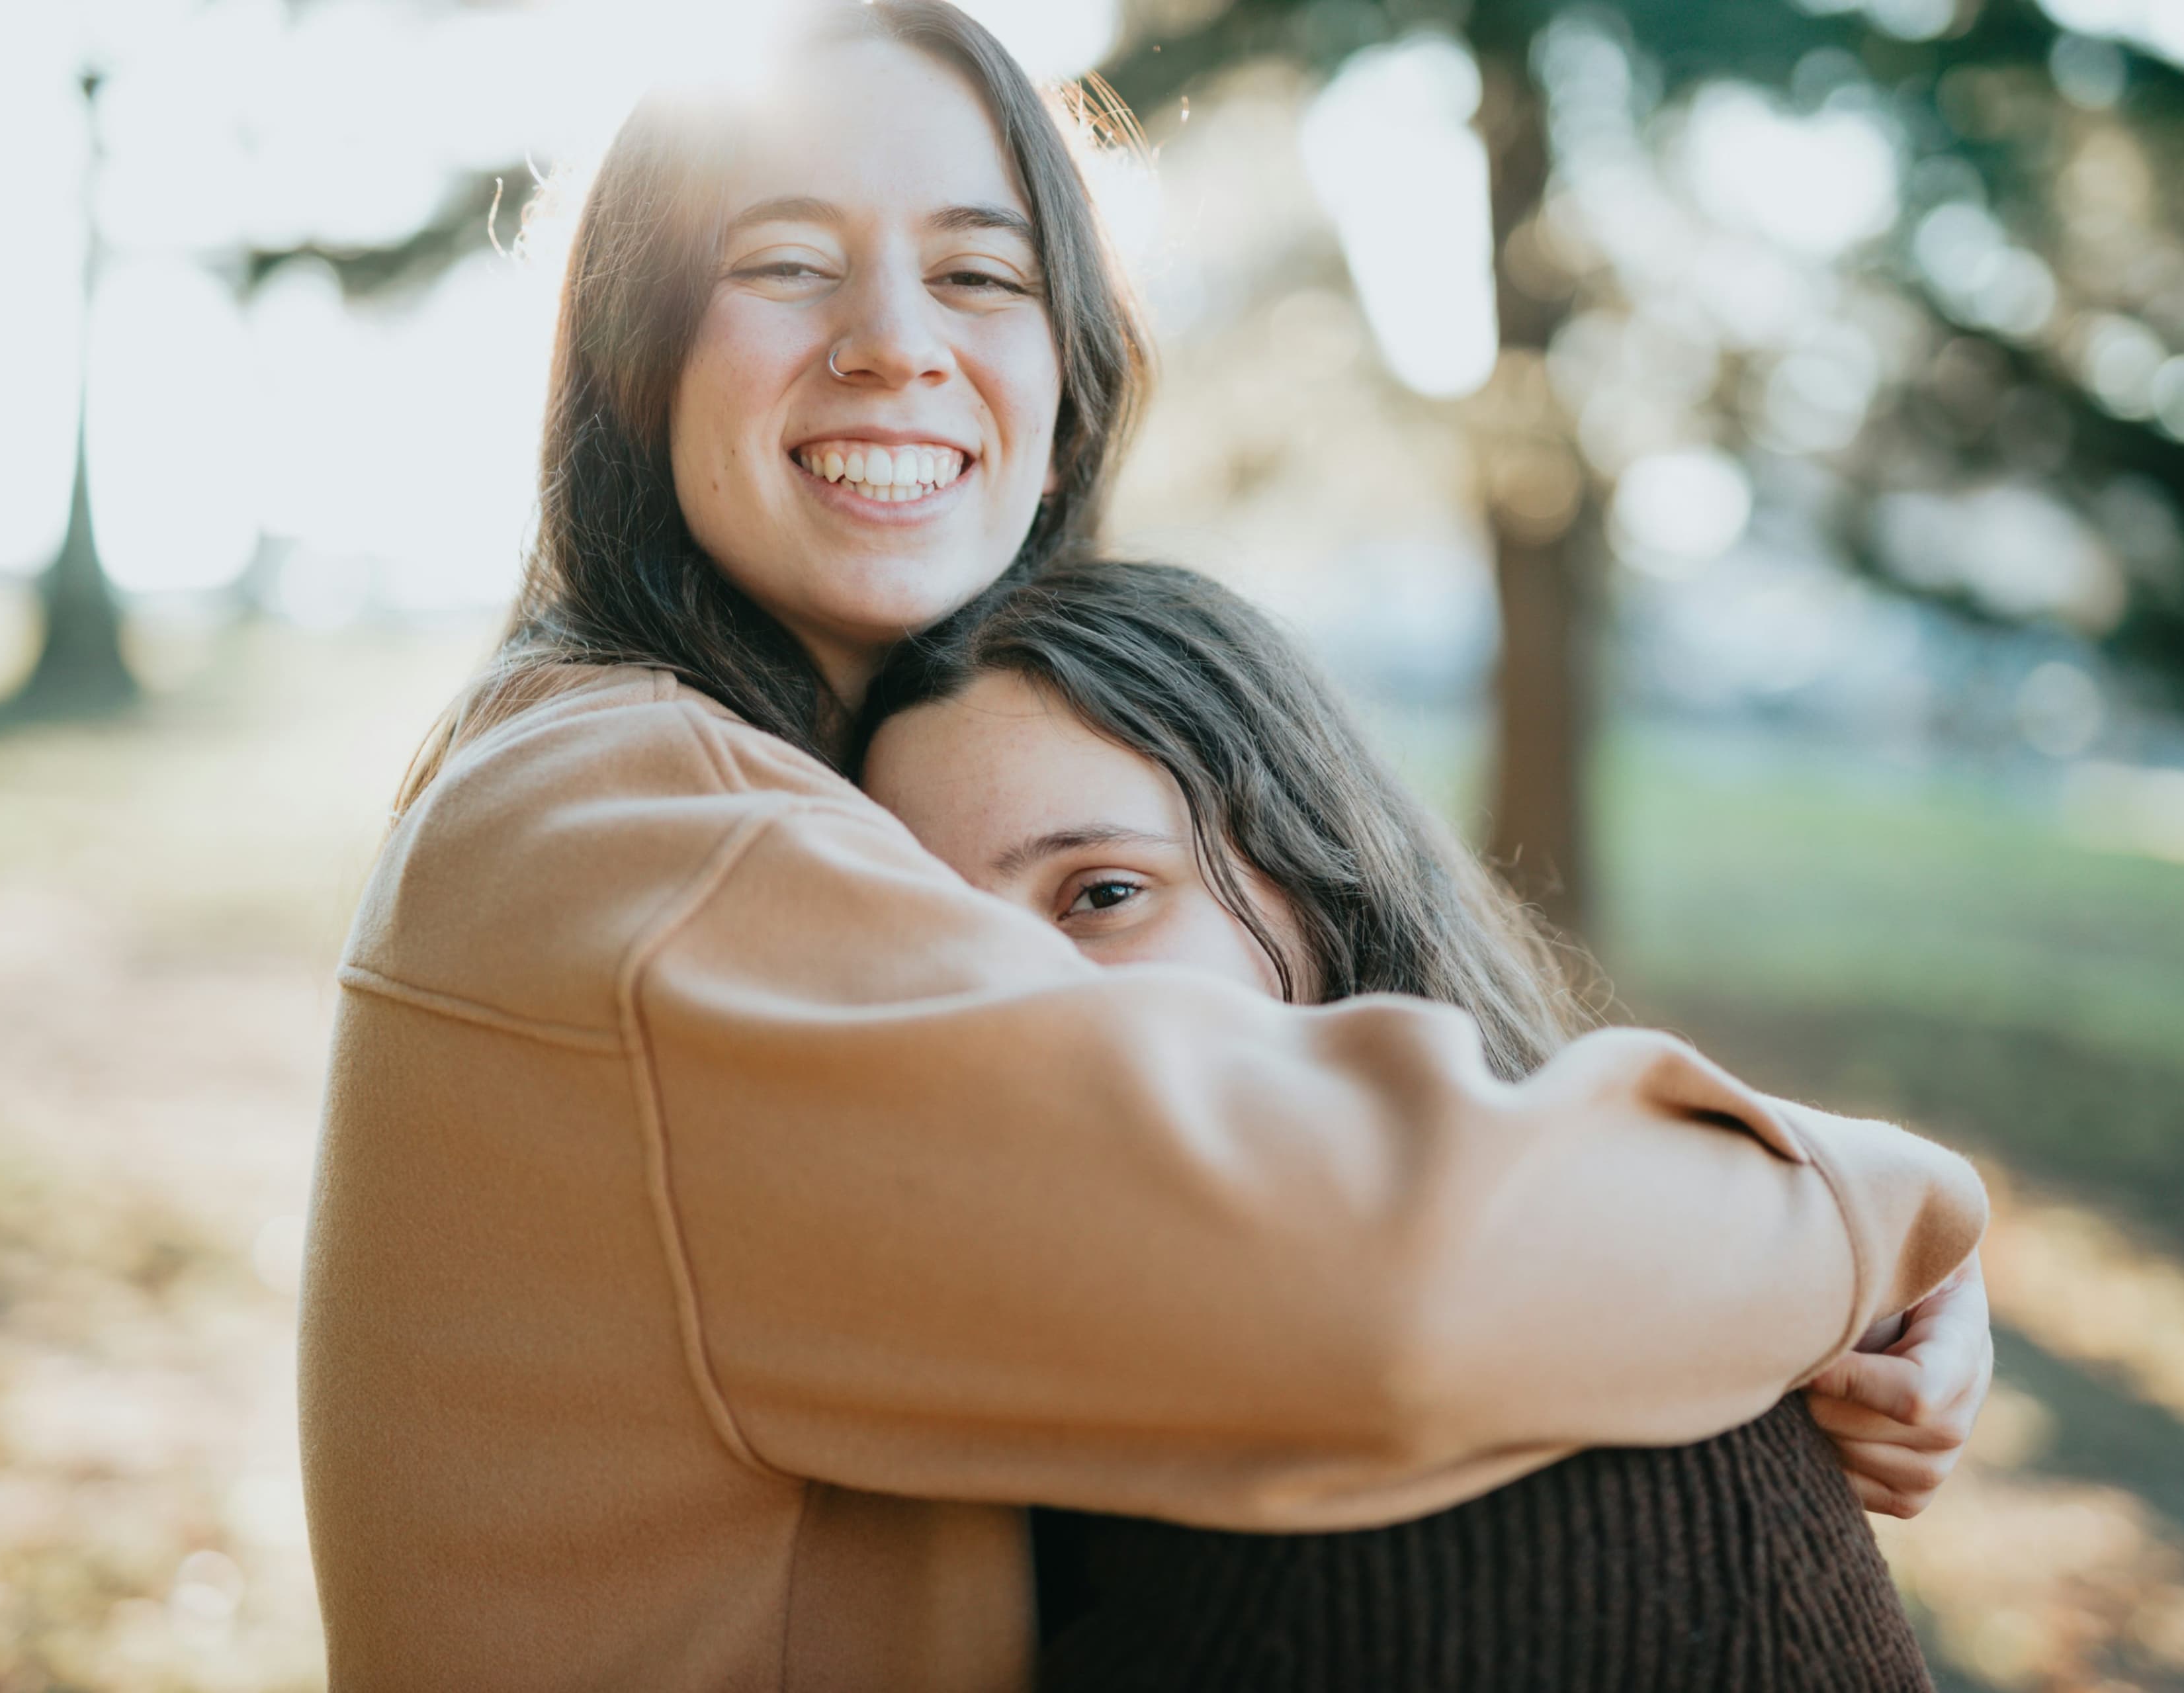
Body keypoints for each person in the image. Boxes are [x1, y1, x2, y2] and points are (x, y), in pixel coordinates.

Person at [299, 5, 1989, 1688]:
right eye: (788, 263)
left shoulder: (716, 780)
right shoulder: (631, 829)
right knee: (1642, 1474)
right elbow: (1378, 1281)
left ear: (1068, 383)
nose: (895, 343)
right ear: (633, 356)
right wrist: (1882, 1212)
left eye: (981, 272)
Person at [857, 557, 1986, 1689]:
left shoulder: (1555, 1467)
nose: (1018, 999)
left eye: (1104, 894)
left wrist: (1888, 1229)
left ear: (1316, 876)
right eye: (936, 936)